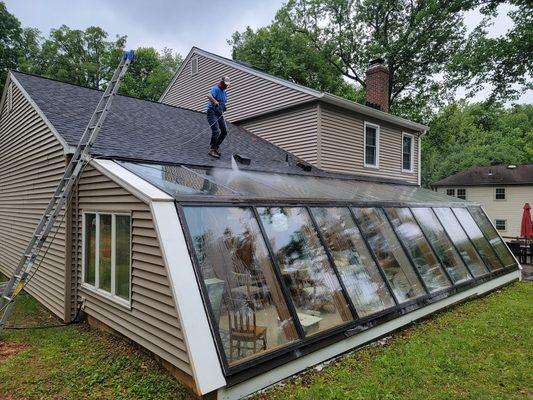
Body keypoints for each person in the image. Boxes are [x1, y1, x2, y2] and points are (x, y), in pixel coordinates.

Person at [206, 76, 231, 158]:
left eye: (227, 85)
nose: (226, 86)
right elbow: (209, 95)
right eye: (225, 84)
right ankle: (212, 150)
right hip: (212, 112)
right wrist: (215, 101)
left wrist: (223, 107)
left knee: (225, 131)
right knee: (216, 130)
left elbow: (223, 103)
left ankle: (216, 148)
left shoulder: (224, 92)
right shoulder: (216, 88)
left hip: (219, 113)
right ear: (222, 83)